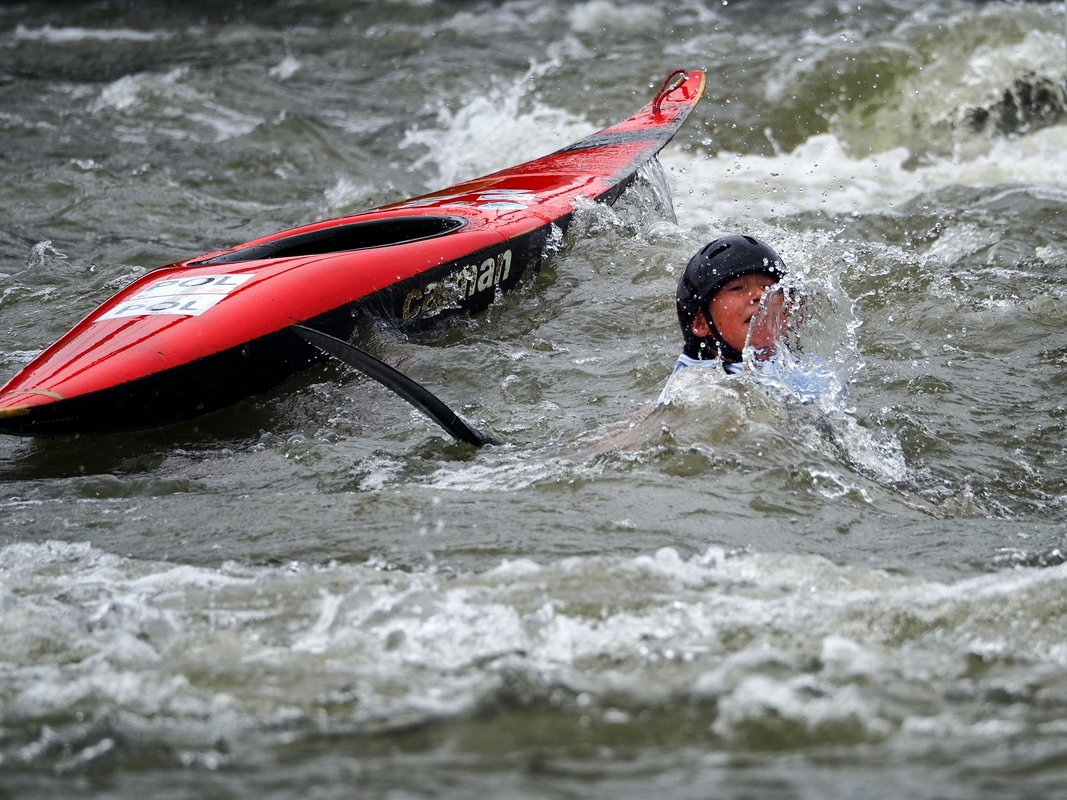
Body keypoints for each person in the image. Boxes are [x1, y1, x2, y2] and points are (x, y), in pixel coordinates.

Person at [658, 234, 792, 404]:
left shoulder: (805, 362)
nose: (760, 294)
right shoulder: (695, 383)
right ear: (700, 323)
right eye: (737, 288)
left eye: (768, 287)